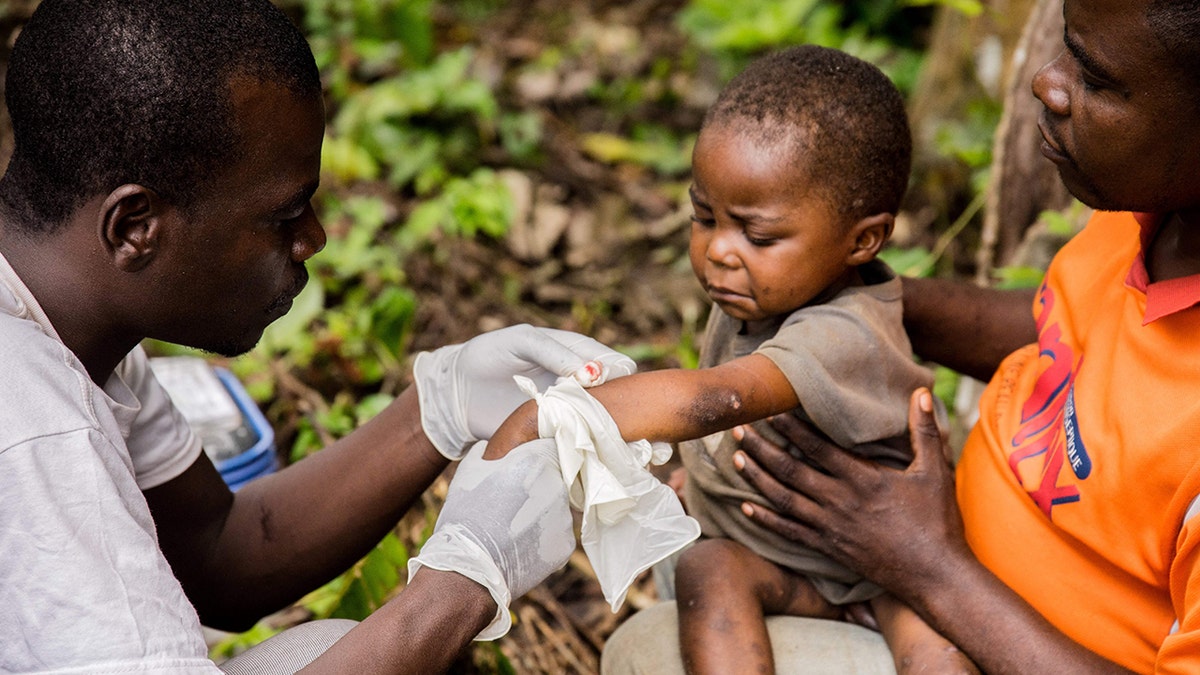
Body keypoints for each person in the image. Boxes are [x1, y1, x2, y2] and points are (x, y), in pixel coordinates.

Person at [0, 1, 635, 673]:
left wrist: (437, 407)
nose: (314, 239)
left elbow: (220, 554)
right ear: (135, 226)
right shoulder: (34, 425)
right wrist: (462, 585)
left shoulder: (73, 322)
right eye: (283, 214)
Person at [603, 0, 1200, 672]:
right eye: (1067, 45)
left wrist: (930, 566)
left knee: (648, 649)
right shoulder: (1159, 213)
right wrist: (842, 313)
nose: (1045, 81)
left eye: (1094, 79)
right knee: (686, 554)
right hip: (906, 562)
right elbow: (1068, 328)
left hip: (958, 609)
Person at [487, 46, 973, 674]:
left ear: (864, 240)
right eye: (703, 216)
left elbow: (716, 398)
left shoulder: (844, 331)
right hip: (779, 558)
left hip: (879, 573)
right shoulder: (756, 292)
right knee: (707, 567)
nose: (719, 250)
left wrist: (547, 418)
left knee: (937, 650)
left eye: (758, 235)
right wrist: (704, 476)